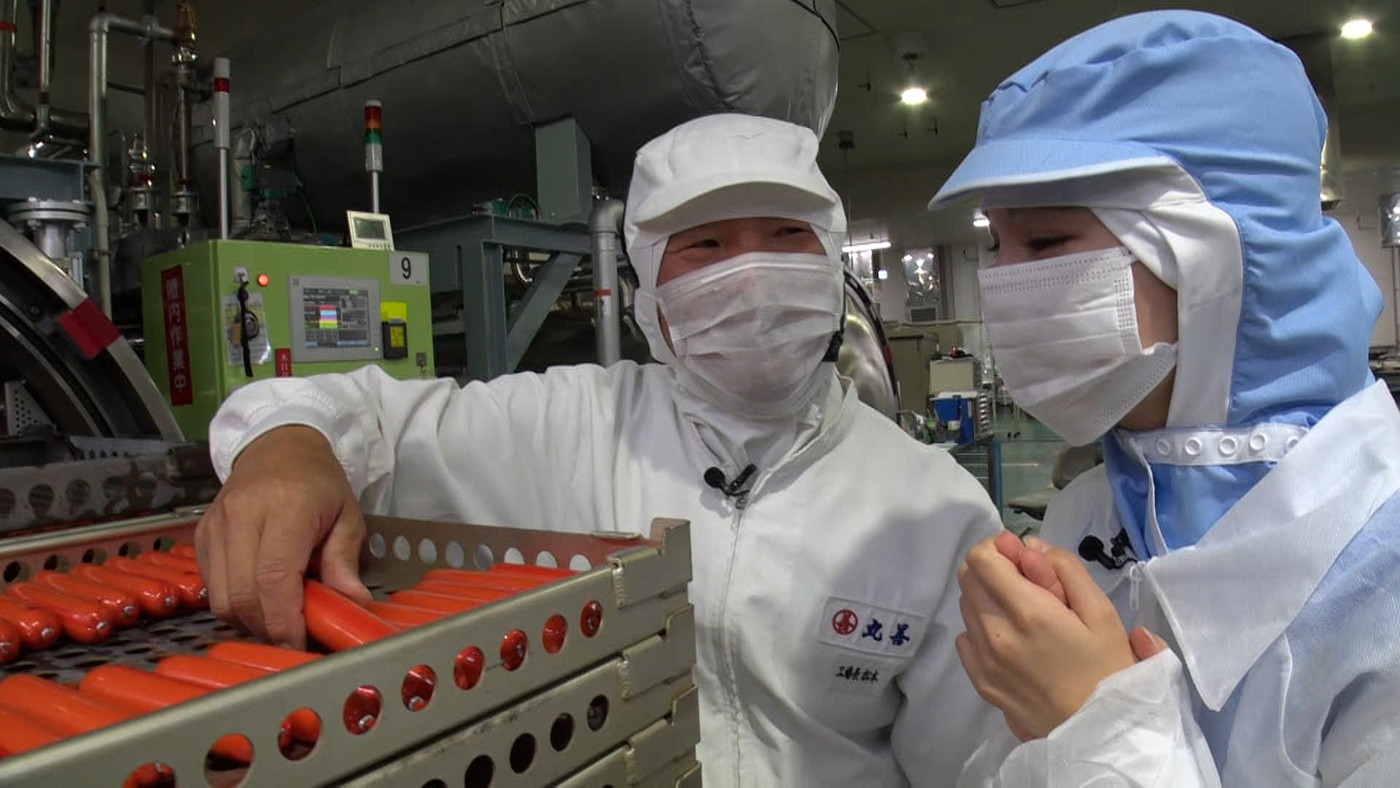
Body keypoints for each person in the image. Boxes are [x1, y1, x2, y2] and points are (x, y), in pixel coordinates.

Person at [198, 113, 1003, 785]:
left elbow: (977, 769)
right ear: (651, 296)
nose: (753, 276)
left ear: (832, 268)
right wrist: (287, 447)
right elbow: (354, 413)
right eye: (706, 246)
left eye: (786, 235)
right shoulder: (571, 424)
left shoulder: (933, 511)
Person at [927, 10, 1400, 786]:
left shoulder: (1380, 567)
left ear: (1214, 258)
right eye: (994, 245)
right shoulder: (1092, 512)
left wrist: (1100, 730)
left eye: (1045, 243)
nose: (1004, 283)